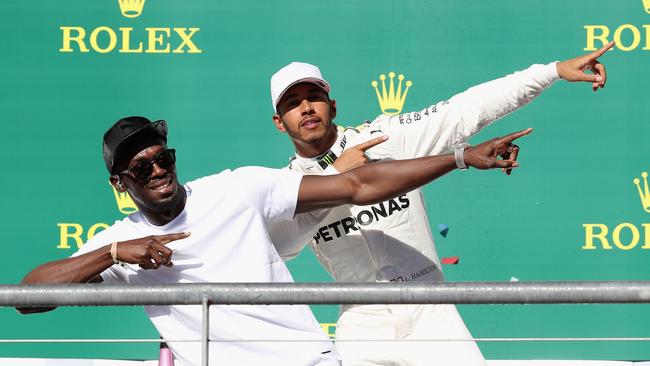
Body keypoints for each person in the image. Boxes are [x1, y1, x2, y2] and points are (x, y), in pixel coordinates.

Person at [18, 116, 531, 366]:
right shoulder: (118, 241)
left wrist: (461, 157)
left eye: (163, 157)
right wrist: (111, 254)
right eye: (140, 167)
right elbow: (28, 297)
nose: (157, 170)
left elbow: (357, 185)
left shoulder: (236, 188)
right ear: (120, 184)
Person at [267, 42, 614, 366]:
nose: (306, 108)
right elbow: (284, 246)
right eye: (292, 104)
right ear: (280, 123)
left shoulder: (385, 138)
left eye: (314, 96)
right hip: (360, 322)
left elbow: (467, 110)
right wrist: (335, 181)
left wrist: (551, 71)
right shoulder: (285, 185)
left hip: (428, 307)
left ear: (333, 106)